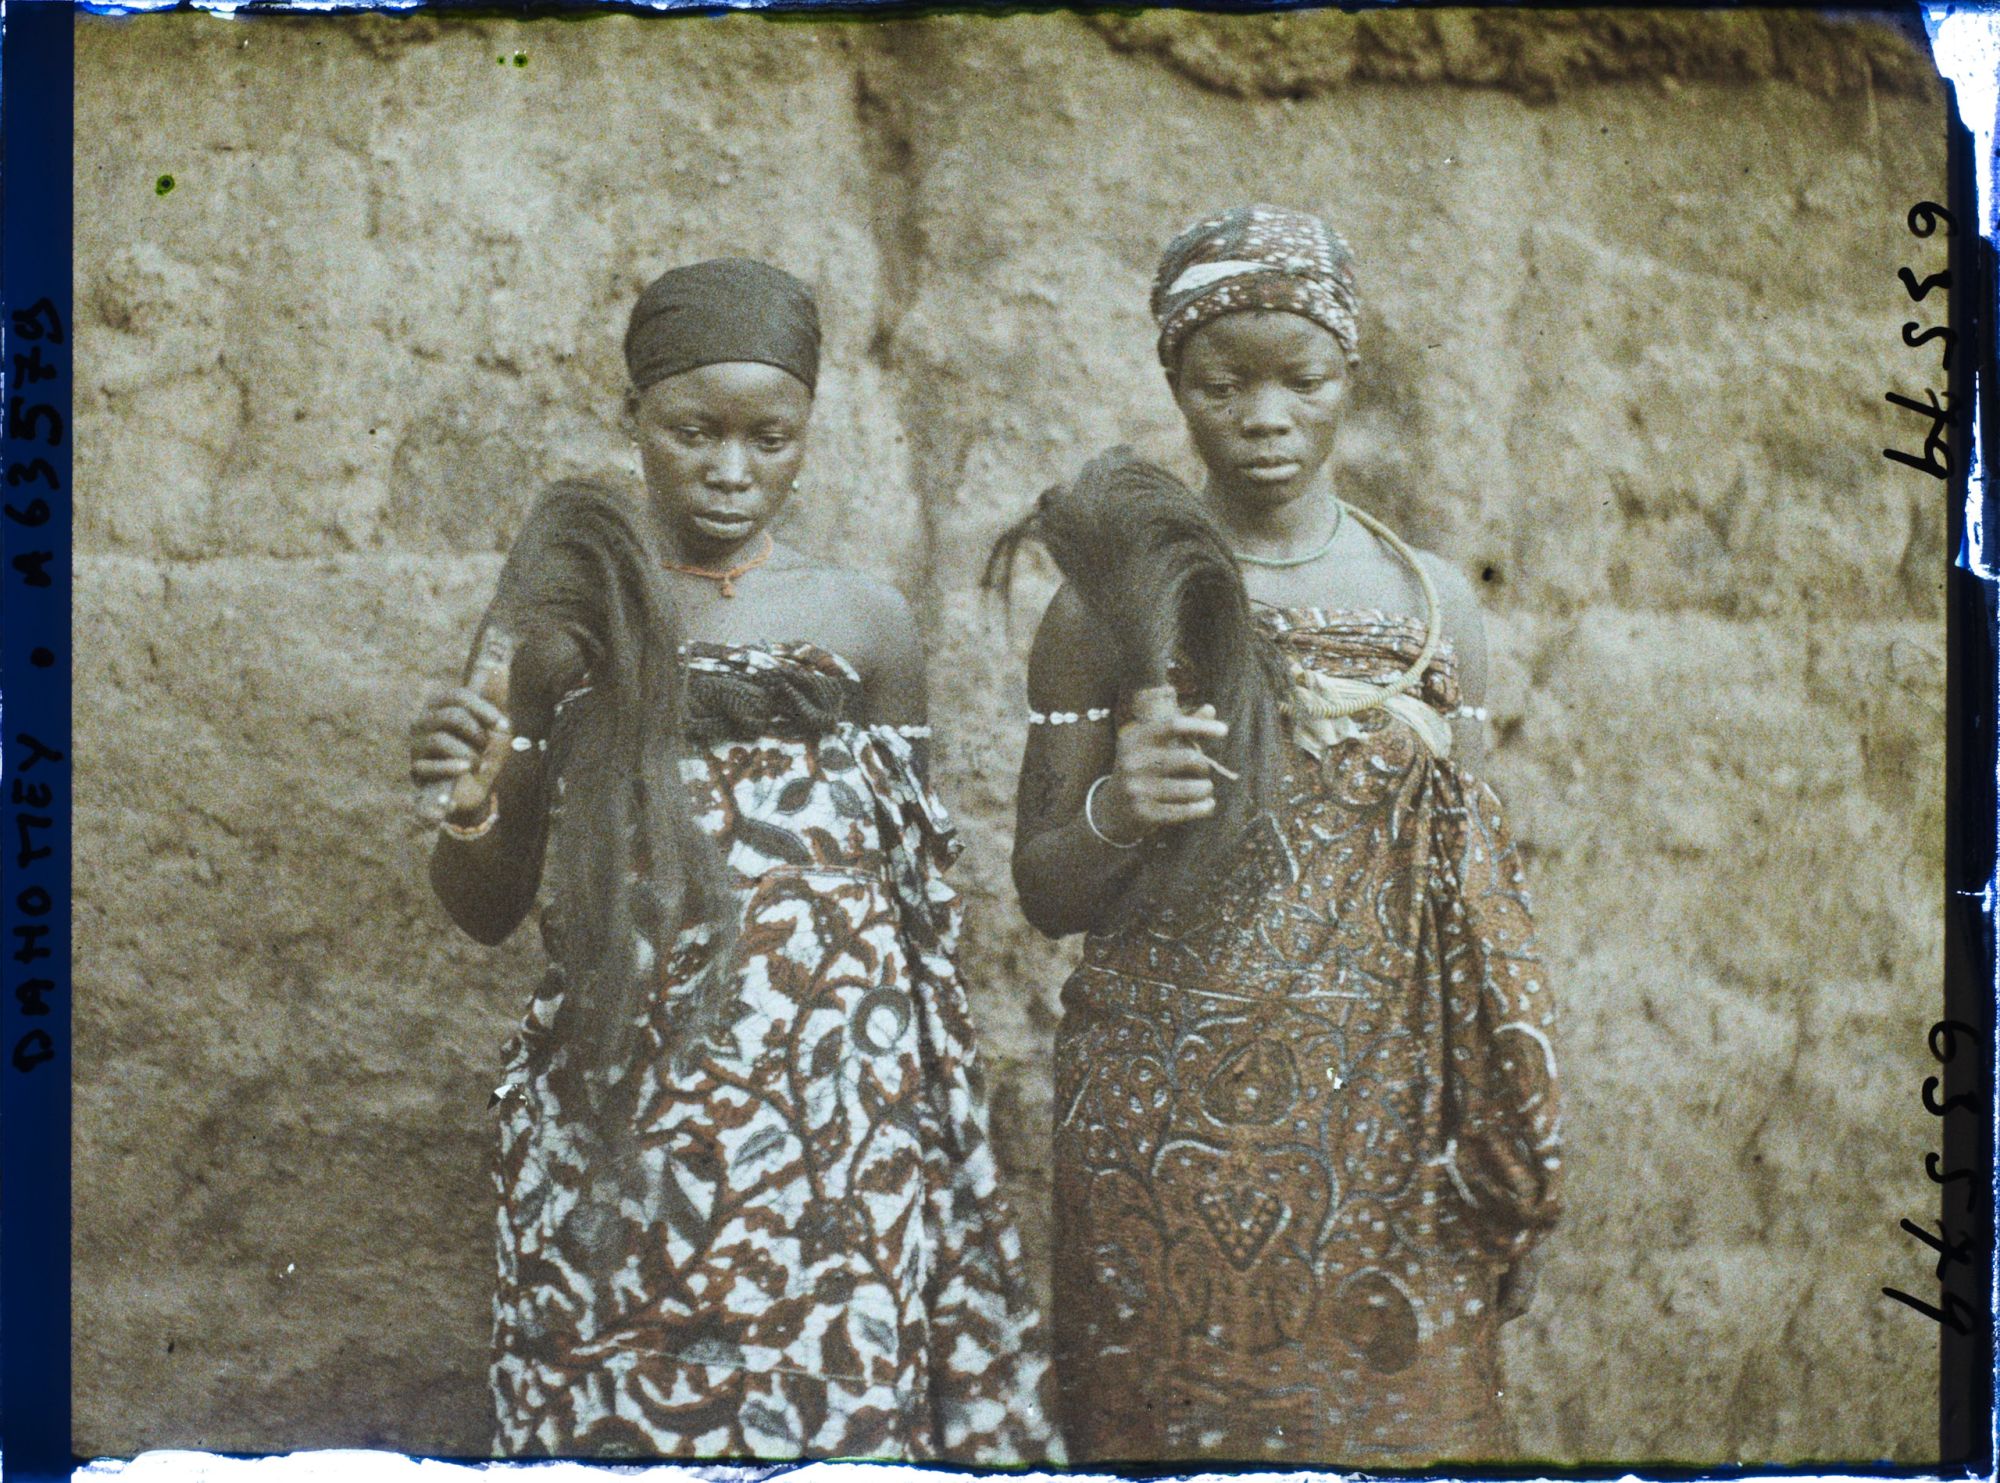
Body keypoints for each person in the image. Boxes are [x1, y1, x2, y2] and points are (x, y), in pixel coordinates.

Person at [408, 258, 1060, 1463]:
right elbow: (490, 906)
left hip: (836, 1105)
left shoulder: (865, 624)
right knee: (628, 1380)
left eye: (770, 437)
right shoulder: (566, 633)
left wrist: (912, 1106)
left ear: (807, 435)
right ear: (633, 421)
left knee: (817, 1387)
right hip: (626, 1091)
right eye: (692, 430)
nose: (728, 467)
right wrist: (464, 809)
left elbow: (918, 897)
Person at [1002, 207, 1562, 1465]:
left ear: (1346, 377)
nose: (1264, 416)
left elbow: (1471, 906)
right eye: (1221, 383)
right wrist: (1118, 809)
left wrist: (1502, 1126)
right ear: (1173, 385)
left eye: (1299, 380)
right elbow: (1044, 887)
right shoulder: (1107, 606)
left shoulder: (1429, 609)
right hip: (1161, 1136)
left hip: (1388, 1125)